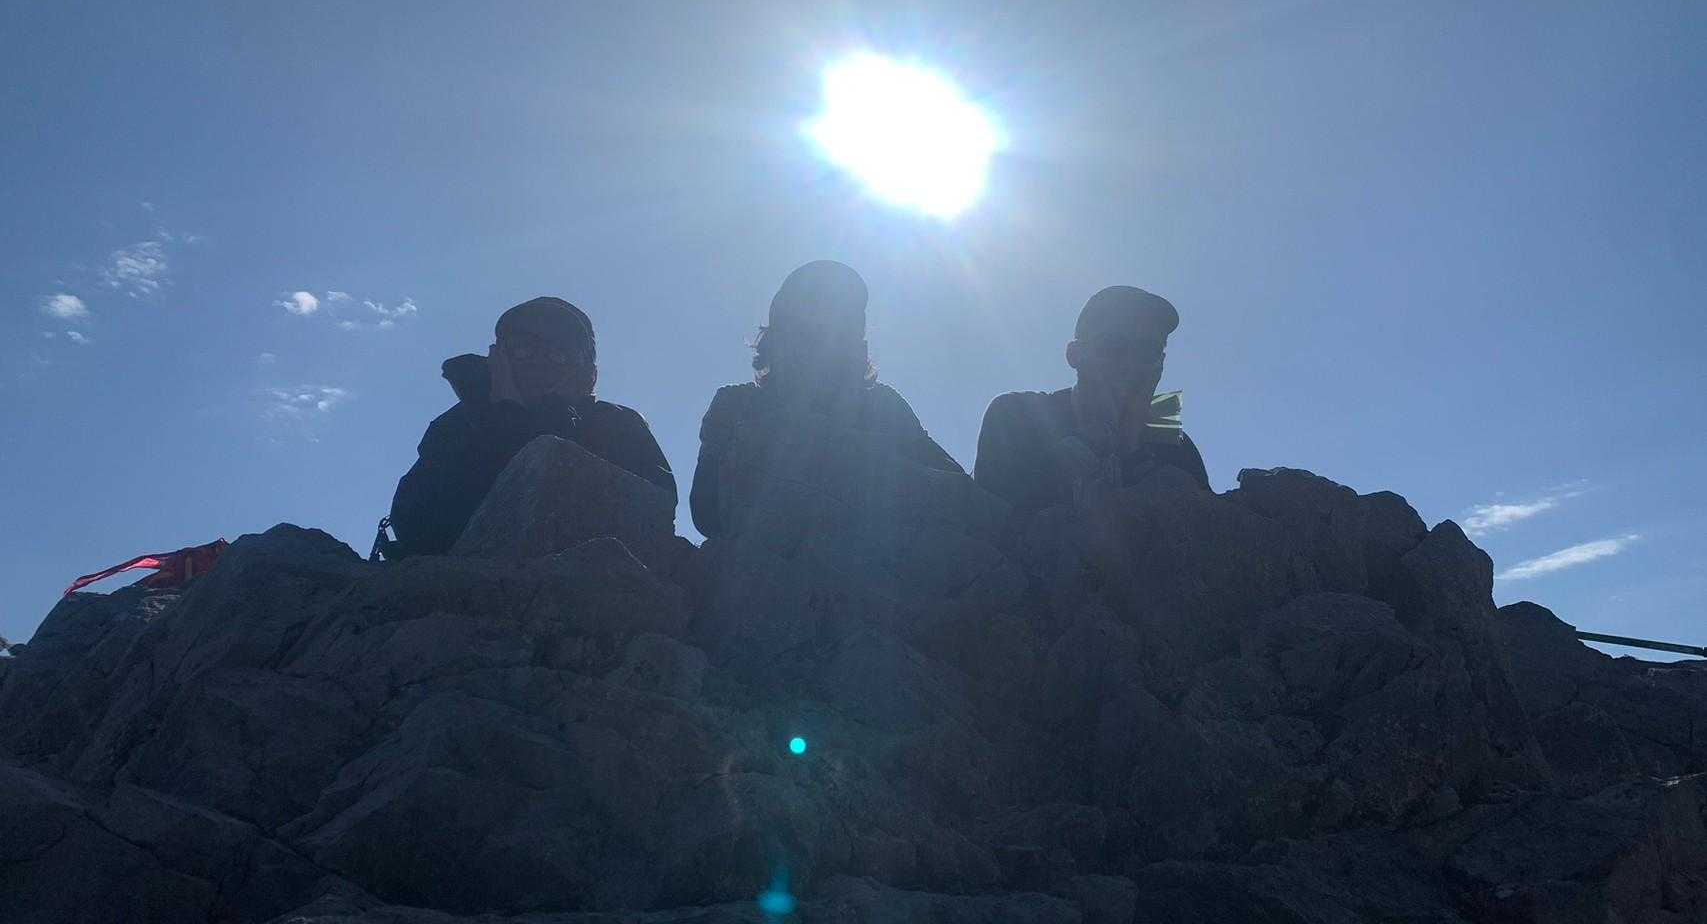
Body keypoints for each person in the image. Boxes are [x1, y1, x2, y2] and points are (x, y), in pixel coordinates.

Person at [385, 297, 675, 558]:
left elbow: (654, 514)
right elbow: (415, 526)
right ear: (497, 358)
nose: (539, 362)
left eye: (561, 354)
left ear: (590, 375)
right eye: (523, 348)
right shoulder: (459, 424)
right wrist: (501, 418)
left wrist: (550, 415)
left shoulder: (619, 426)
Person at [690, 261, 962, 538]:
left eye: (846, 321)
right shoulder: (735, 404)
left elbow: (957, 491)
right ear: (779, 336)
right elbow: (706, 512)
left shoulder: (885, 406)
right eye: (812, 315)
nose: (829, 330)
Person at [973, 285, 1209, 518]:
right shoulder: (1016, 414)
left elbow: (1206, 528)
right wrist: (1084, 447)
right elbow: (994, 522)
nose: (1131, 364)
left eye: (1148, 350)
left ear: (1161, 362)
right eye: (1112, 346)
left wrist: (1131, 450)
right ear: (1074, 354)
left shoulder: (1174, 443)